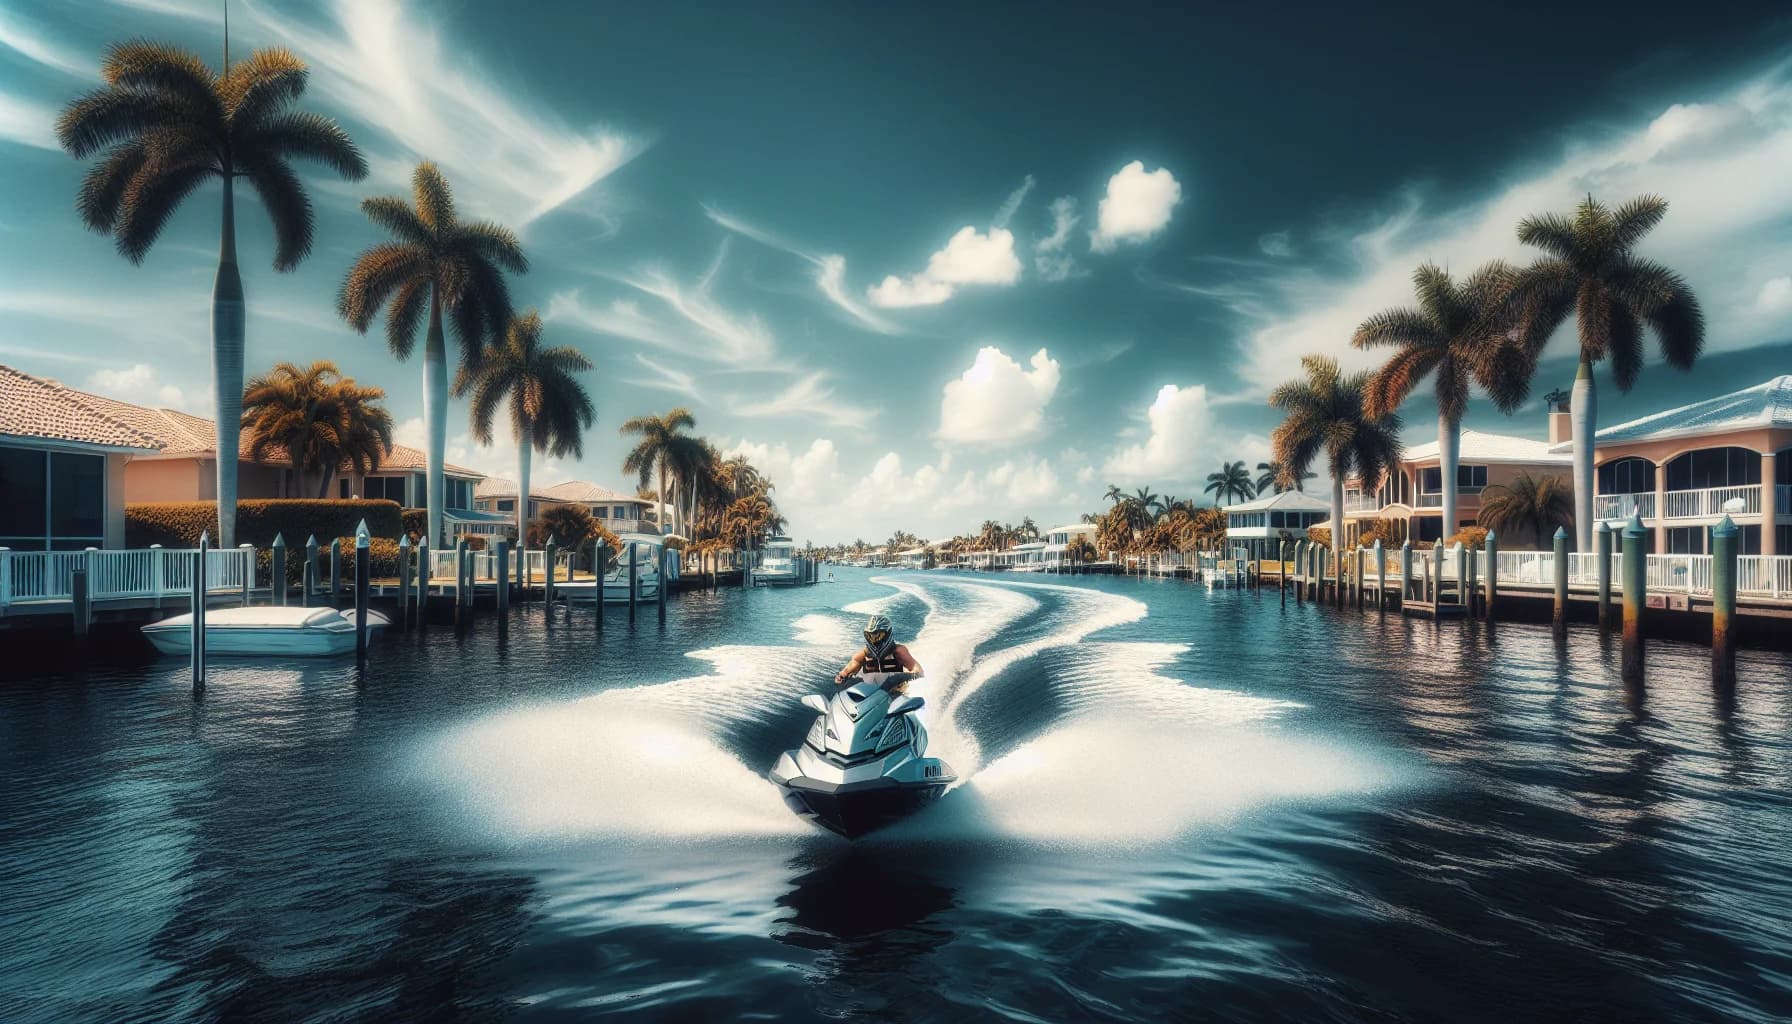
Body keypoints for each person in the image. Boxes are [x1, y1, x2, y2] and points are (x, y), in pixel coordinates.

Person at [835, 613, 923, 689]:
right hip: (869, 695)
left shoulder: (898, 651)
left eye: (877, 636)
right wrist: (841, 676)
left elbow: (919, 671)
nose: (873, 640)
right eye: (870, 636)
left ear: (887, 634)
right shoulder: (864, 654)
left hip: (895, 693)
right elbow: (848, 668)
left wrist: (900, 678)